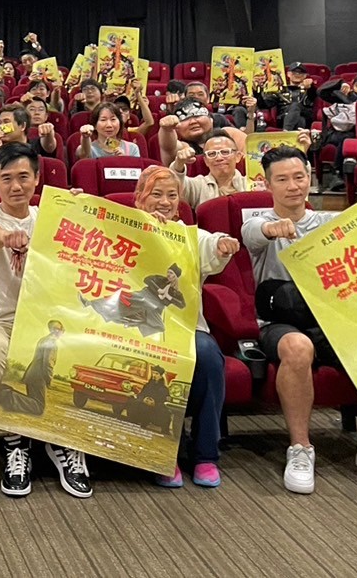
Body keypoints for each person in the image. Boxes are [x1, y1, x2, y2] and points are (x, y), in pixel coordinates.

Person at [241, 147, 357, 493]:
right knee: (298, 347)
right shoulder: (254, 220)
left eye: (299, 177)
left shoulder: (331, 223)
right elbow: (256, 233)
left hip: (330, 318)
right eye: (282, 179)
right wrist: (274, 228)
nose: (293, 186)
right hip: (279, 321)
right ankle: (300, 448)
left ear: (310, 178)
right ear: (267, 184)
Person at [0, 142, 92, 500]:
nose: (16, 186)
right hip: (4, 321)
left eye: (23, 177)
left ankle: (64, 440)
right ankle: (15, 439)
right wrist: (7, 237)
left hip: (53, 319)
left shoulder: (51, 216)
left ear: (37, 179)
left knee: (85, 348)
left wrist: (81, 210)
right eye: (7, 178)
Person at [133, 165, 238, 488]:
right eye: (156, 194)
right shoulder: (123, 228)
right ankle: (163, 454)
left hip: (185, 329)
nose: (165, 202)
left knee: (207, 353)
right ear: (140, 198)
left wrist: (222, 244)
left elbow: (210, 244)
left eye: (172, 195)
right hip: (136, 331)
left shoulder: (188, 235)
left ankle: (205, 454)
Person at [313, 73, 357, 191]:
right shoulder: (344, 96)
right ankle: (337, 175)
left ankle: (338, 174)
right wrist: (340, 84)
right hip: (337, 133)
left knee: (348, 140)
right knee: (345, 140)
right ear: (353, 85)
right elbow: (321, 92)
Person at [165, 125, 248, 209]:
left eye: (225, 152)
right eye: (212, 154)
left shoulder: (250, 183)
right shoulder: (198, 185)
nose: (219, 158)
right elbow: (173, 185)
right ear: (206, 161)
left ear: (238, 156)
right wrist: (179, 163)